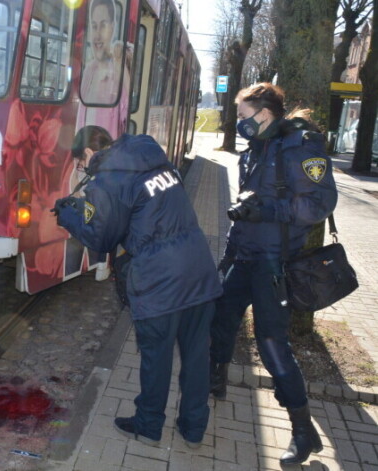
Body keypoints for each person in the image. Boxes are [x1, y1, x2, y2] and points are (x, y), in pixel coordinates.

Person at [54, 126, 222, 448]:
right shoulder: (155, 161)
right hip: (199, 271)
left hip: (160, 282)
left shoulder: (109, 180)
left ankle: (148, 425)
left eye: (79, 163)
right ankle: (193, 427)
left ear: (88, 154)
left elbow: (101, 238)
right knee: (197, 356)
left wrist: (68, 214)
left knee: (156, 358)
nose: (81, 169)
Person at [209, 83, 338, 465]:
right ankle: (214, 382)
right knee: (220, 318)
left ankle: (303, 430)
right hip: (245, 256)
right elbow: (242, 209)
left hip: (275, 264)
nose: (240, 123)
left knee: (271, 344)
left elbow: (318, 204)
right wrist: (227, 256)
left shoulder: (300, 147)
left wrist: (267, 211)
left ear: (265, 113)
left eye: (245, 116)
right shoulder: (256, 149)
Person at [77, 0, 130, 136]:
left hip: (107, 155)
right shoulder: (89, 71)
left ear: (112, 27)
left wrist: (120, 65)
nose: (97, 35)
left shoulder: (117, 72)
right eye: (94, 26)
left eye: (103, 26)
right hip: (86, 154)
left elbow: (127, 113)